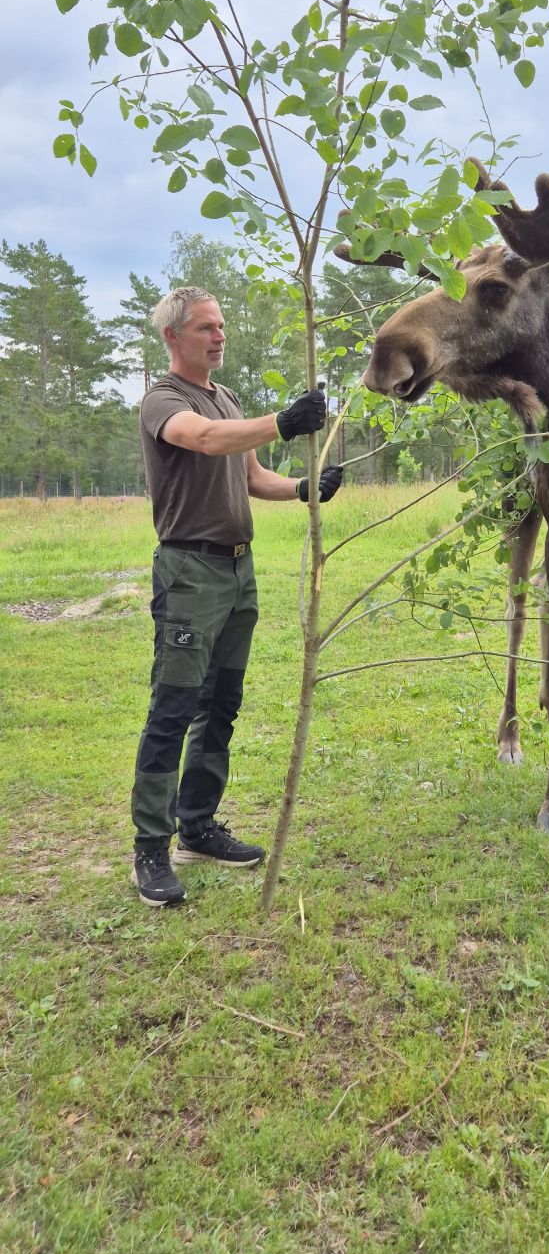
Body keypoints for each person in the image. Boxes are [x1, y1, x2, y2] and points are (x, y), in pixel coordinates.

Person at [130, 285, 343, 907]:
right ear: (173, 336)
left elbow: (251, 476)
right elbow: (203, 440)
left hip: (237, 572)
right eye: (205, 328)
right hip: (189, 573)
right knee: (174, 708)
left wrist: (305, 486)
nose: (219, 336)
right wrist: (282, 422)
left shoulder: (226, 396)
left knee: (220, 705)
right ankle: (151, 847)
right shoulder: (163, 401)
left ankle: (197, 825)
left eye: (220, 327)